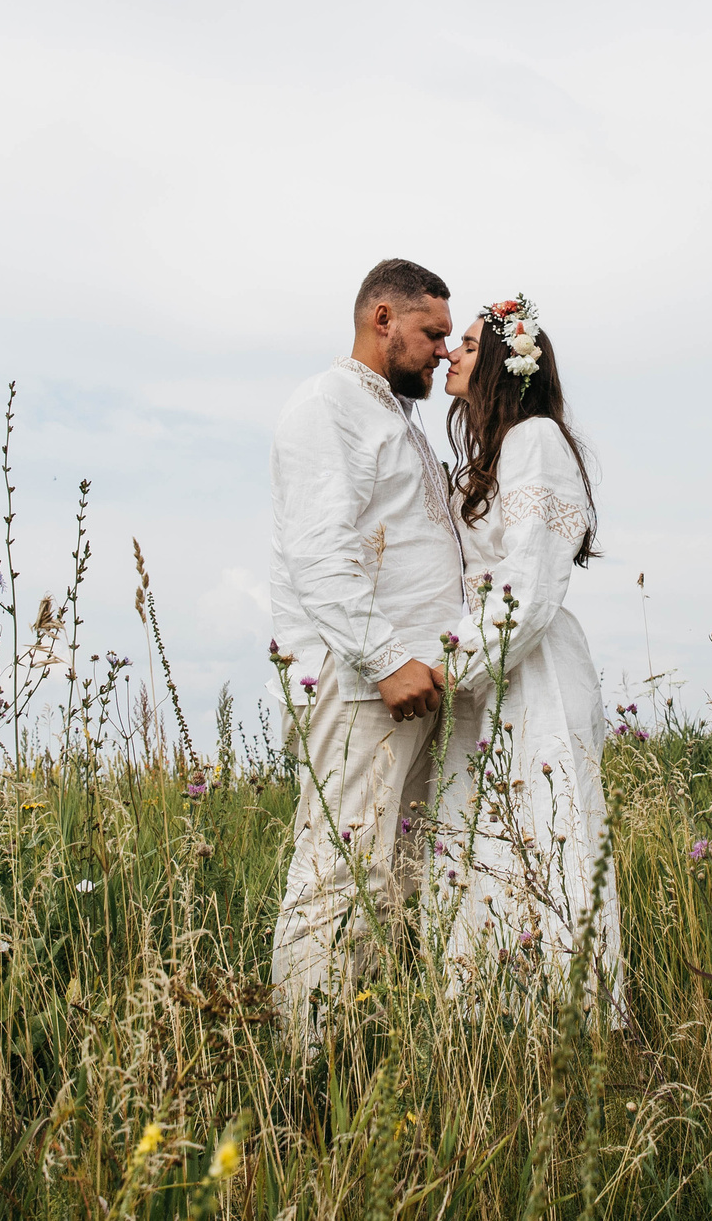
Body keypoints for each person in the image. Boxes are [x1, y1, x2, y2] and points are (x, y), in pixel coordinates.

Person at [267, 257, 465, 1032]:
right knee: (335, 878)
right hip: (360, 685)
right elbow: (320, 550)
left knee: (393, 882)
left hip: (410, 686)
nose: (444, 352)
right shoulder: (327, 407)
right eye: (431, 333)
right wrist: (385, 658)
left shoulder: (393, 417)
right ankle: (302, 1070)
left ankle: (362, 1047)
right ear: (383, 317)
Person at [427, 294, 622, 1013]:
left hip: (527, 667)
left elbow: (531, 582)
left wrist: (454, 666)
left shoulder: (534, 438)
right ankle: (489, 1028)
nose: (451, 351)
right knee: (483, 847)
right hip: (489, 670)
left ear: (507, 370)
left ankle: (560, 1030)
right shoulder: (490, 453)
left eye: (469, 345)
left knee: (541, 838)